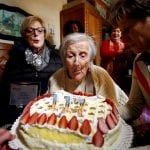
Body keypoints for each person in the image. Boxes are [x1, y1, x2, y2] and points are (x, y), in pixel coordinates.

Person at [0, 16, 62, 126]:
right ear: (24, 35)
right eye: (30, 31)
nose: (35, 34)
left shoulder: (57, 57)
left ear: (44, 33)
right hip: (20, 113)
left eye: (40, 30)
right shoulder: (15, 57)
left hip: (49, 112)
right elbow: (5, 91)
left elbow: (63, 87)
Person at [109, 0, 150, 146]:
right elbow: (133, 107)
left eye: (127, 30)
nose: (123, 40)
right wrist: (104, 115)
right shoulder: (139, 62)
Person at [48, 32, 128, 107]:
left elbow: (111, 109)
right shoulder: (55, 78)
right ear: (64, 60)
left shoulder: (100, 75)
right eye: (70, 56)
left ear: (90, 60)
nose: (76, 63)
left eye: (82, 56)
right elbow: (51, 109)